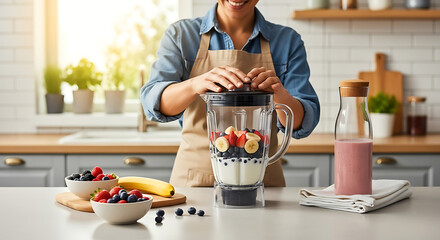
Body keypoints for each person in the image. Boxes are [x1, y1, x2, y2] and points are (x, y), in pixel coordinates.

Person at [141, 0, 320, 187]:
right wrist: (195, 84)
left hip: (263, 184)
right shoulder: (181, 35)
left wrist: (279, 94)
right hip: (194, 184)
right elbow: (154, 104)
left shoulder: (287, 41)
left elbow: (302, 124)